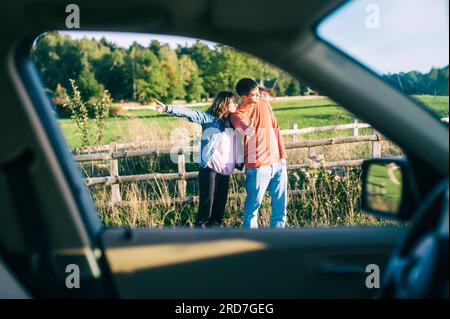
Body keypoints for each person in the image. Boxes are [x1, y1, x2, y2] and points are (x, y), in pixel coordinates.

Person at [155, 92, 249, 228]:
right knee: (207, 206)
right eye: (233, 102)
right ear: (224, 104)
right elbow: (191, 113)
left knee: (219, 208)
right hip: (210, 170)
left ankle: (215, 235)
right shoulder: (209, 119)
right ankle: (201, 234)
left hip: (226, 172)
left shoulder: (234, 121)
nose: (236, 104)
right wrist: (167, 108)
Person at [230, 78, 288, 229]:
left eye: (259, 93)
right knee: (252, 209)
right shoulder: (237, 114)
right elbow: (241, 125)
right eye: (254, 95)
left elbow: (276, 128)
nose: (258, 97)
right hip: (257, 167)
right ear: (244, 97)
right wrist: (247, 128)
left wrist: (283, 156)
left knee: (280, 208)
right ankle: (252, 243)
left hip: (278, 164)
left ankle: (277, 242)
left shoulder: (264, 104)